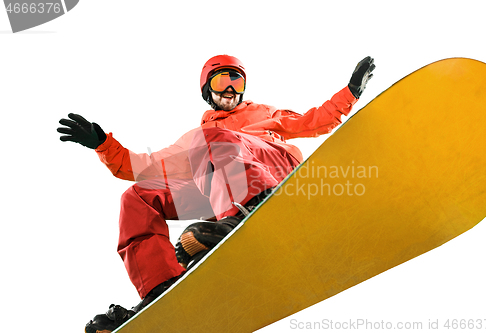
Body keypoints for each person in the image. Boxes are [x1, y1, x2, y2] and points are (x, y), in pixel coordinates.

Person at [57, 54, 375, 333]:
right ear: (208, 90)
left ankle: (248, 210)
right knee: (138, 197)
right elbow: (141, 167)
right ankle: (161, 287)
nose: (230, 89)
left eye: (237, 81)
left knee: (214, 139)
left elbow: (314, 121)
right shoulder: (199, 138)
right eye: (223, 80)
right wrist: (102, 144)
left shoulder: (264, 113)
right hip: (222, 192)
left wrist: (350, 92)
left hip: (272, 175)